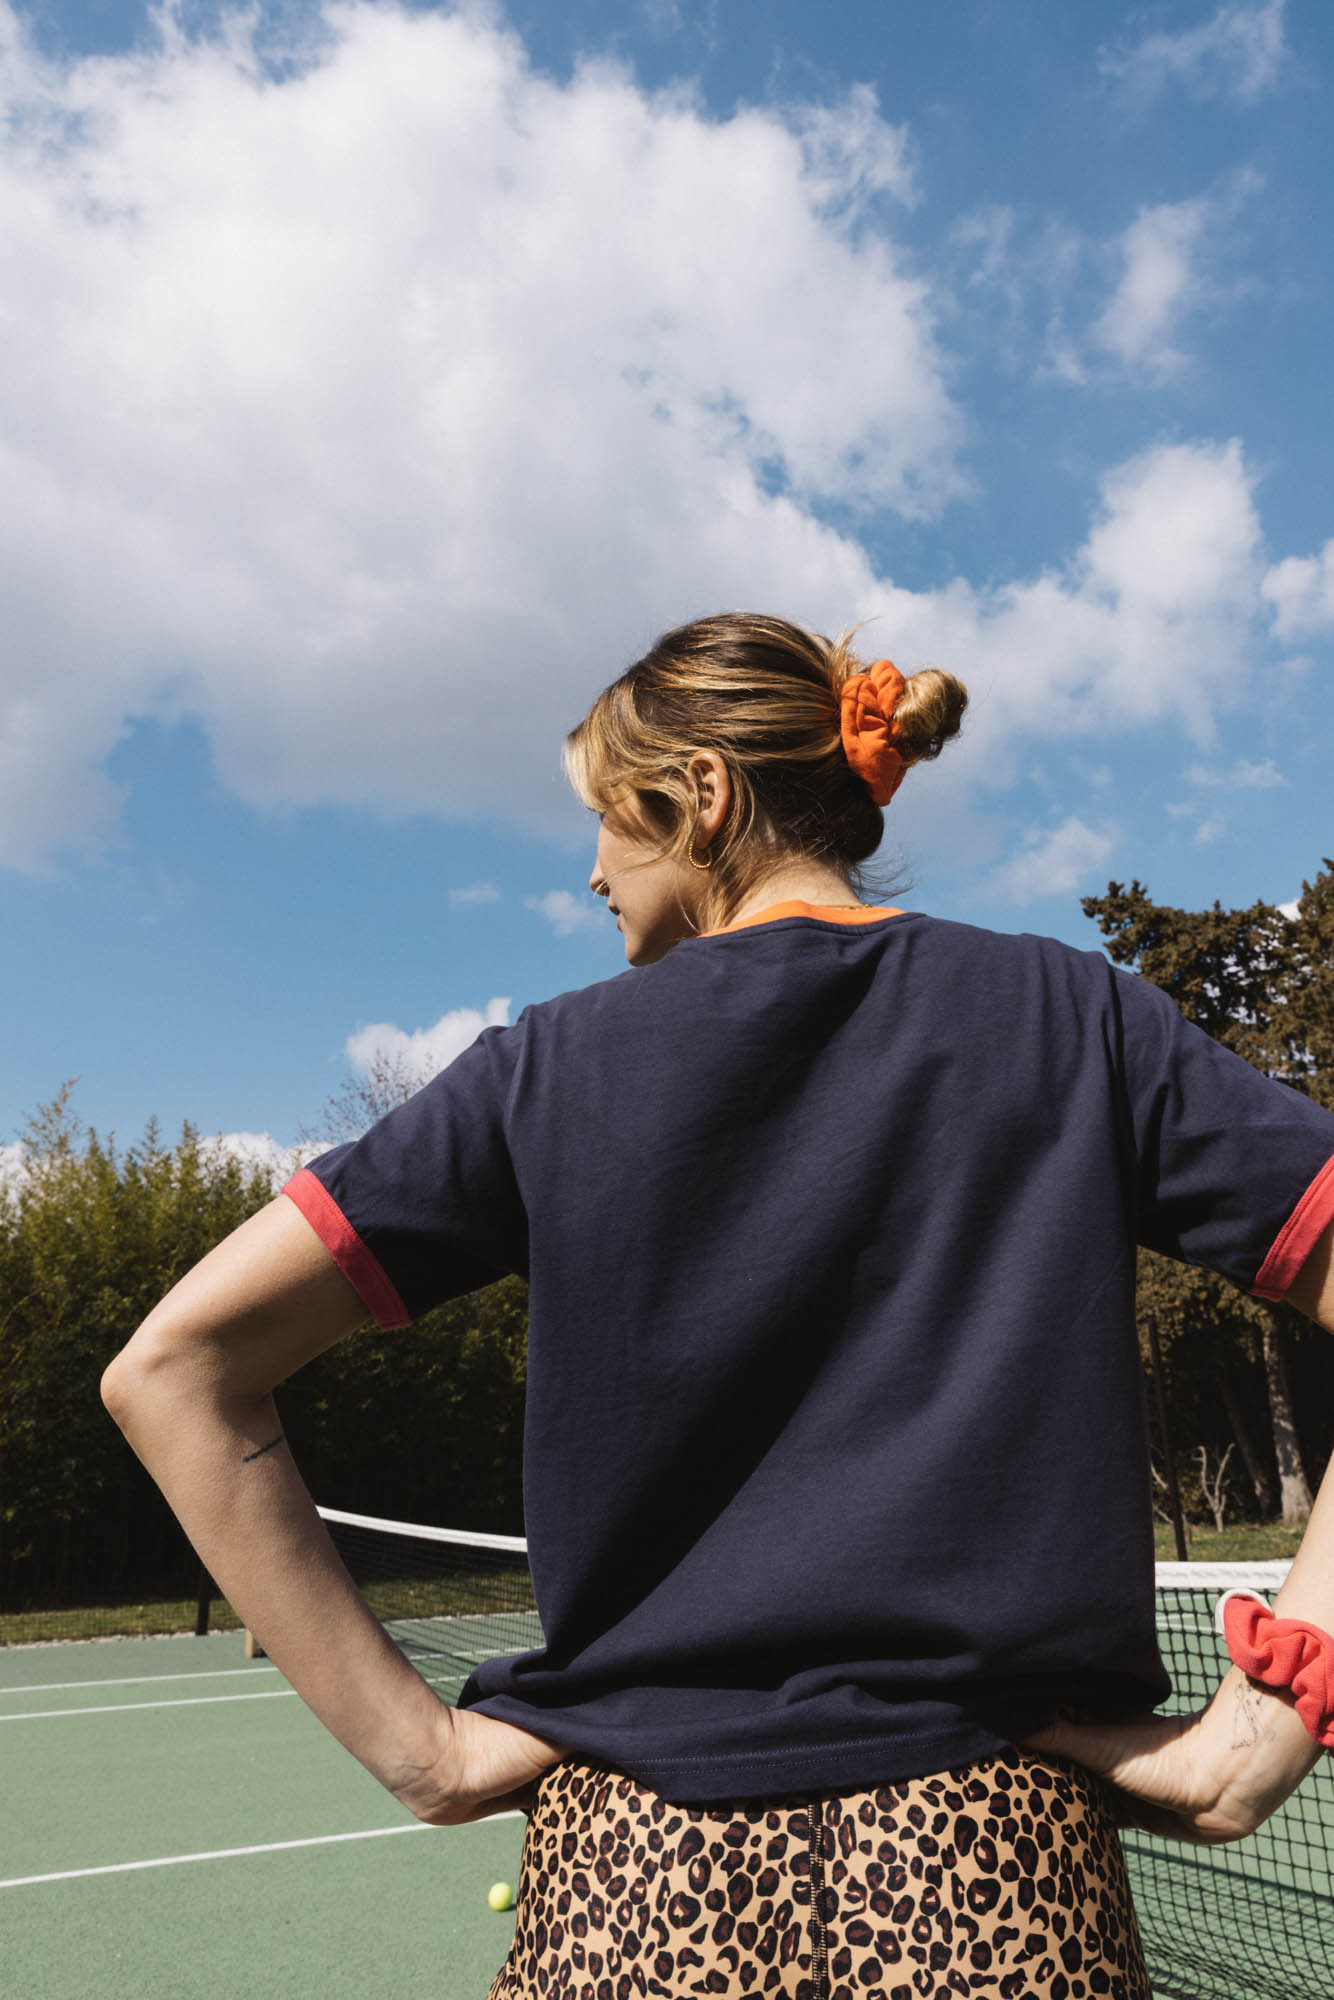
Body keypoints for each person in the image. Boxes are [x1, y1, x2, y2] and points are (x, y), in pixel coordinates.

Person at [104, 613, 1334, 2000]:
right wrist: (1267, 1721)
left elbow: (173, 1369)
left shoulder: (543, 1072)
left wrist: (425, 1755)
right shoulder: (1072, 1020)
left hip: (624, 1880)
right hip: (994, 1868)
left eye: (601, 821)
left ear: (698, 798)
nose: (587, 869)